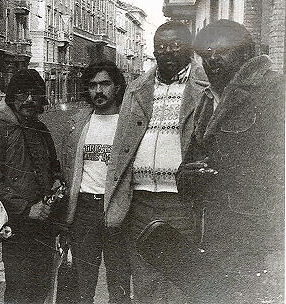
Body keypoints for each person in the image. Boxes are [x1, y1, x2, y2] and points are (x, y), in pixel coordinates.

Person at [177, 19, 284, 304]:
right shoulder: (209, 97)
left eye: (222, 50)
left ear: (245, 51)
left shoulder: (274, 90)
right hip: (215, 231)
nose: (212, 58)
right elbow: (194, 156)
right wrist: (188, 175)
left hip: (259, 236)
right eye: (206, 52)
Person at [117, 21, 208, 303]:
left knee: (183, 281)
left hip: (182, 202)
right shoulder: (136, 89)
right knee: (145, 280)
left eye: (175, 45)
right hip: (140, 202)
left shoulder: (205, 87)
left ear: (189, 48)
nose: (166, 52)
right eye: (160, 47)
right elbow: (121, 147)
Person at [0, 69, 61, 304]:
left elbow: (54, 168)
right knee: (19, 290)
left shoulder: (40, 128)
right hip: (18, 223)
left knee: (42, 286)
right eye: (23, 94)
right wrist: (26, 208)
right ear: (12, 97)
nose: (30, 100)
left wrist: (55, 187)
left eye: (35, 94)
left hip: (44, 222)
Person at [60, 60, 130, 304]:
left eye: (105, 84)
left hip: (118, 209)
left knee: (119, 280)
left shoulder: (129, 123)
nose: (98, 91)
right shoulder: (79, 122)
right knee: (83, 282)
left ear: (118, 87)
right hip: (84, 210)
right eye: (92, 85)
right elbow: (67, 167)